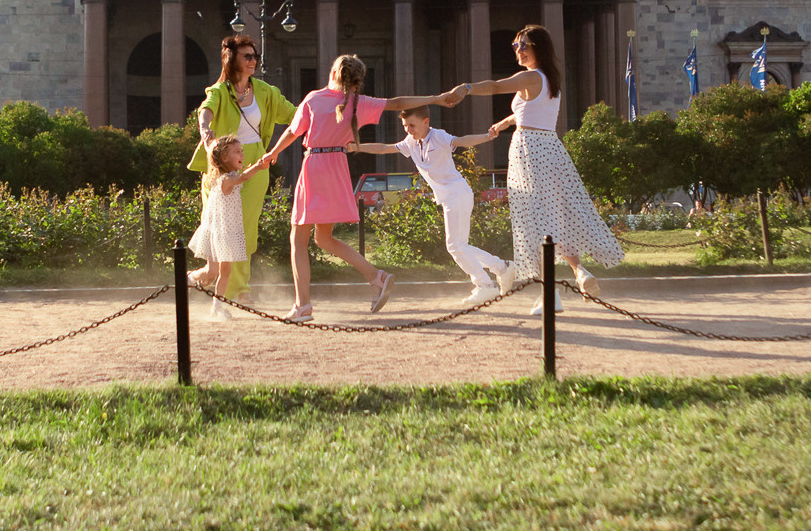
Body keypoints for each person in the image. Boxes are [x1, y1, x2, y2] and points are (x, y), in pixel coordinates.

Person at [258, 54, 451, 323]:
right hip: (337, 167)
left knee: (298, 240)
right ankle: (376, 276)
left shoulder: (314, 99)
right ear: (357, 80)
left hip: (315, 166)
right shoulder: (359, 102)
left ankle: (303, 307)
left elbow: (293, 131)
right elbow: (397, 103)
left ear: (333, 73)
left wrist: (273, 152)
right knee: (323, 238)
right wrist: (437, 98)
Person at [446, 23, 625, 311]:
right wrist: (505, 122)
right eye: (515, 45)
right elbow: (531, 111)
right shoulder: (549, 79)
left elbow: (496, 86)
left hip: (529, 150)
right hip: (550, 148)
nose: (518, 50)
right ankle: (579, 271)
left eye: (523, 45)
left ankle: (550, 293)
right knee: (555, 216)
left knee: (534, 222)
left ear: (538, 48)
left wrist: (467, 88)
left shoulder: (529, 77)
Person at [350, 107, 511, 303]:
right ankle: (502, 268)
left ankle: (485, 285)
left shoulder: (438, 136)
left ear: (426, 121)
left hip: (458, 194)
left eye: (412, 125)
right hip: (449, 197)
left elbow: (462, 141)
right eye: (405, 126)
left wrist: (488, 136)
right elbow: (384, 148)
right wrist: (356, 146)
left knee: (455, 246)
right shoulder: (410, 142)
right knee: (460, 246)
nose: (408, 130)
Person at [186, 35, 297, 308]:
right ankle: (204, 275)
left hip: (255, 162)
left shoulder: (266, 91)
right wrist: (207, 134)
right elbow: (205, 111)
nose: (253, 61)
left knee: (244, 228)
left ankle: (238, 289)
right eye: (246, 56)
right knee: (219, 229)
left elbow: (295, 115)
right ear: (231, 59)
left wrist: (326, 112)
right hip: (221, 165)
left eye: (254, 56)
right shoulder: (219, 91)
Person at [188, 136, 270, 316]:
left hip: (226, 231)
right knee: (214, 272)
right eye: (237, 152)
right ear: (225, 158)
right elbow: (245, 177)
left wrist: (255, 166)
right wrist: (259, 165)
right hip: (219, 231)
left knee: (220, 271)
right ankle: (193, 280)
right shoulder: (226, 179)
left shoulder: (229, 177)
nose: (242, 154)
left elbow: (242, 175)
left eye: (242, 150)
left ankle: (213, 303)